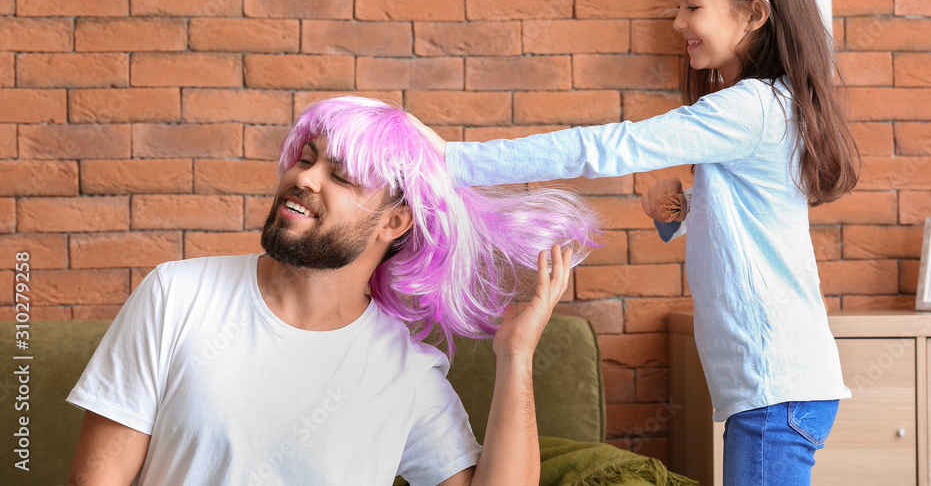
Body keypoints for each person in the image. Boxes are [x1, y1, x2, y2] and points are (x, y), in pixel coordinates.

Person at [410, 0, 861, 486]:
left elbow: (605, 148)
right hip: (773, 383)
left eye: (691, 6)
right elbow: (755, 223)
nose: (678, 22)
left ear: (753, 14)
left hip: (774, 381)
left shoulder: (749, 108)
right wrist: (681, 212)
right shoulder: (768, 106)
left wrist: (455, 160)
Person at [66, 95, 599, 485]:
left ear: (394, 223)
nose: (305, 178)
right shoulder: (175, 296)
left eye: (341, 177)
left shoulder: (404, 372)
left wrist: (516, 356)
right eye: (306, 157)